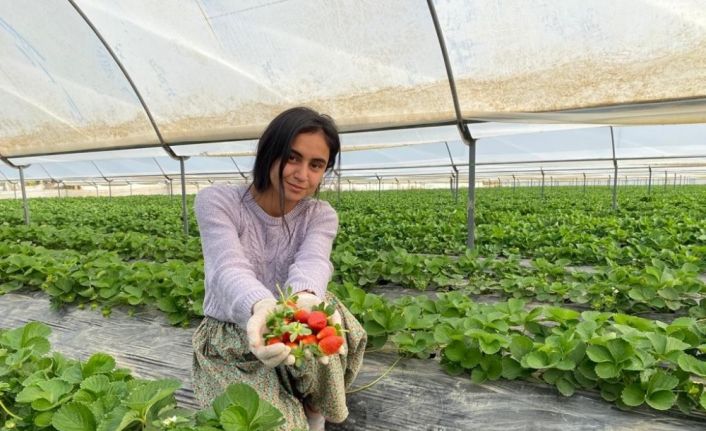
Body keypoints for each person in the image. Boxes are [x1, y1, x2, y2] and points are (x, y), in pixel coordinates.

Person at [192, 107, 367, 431]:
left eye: (316, 165)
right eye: (292, 158)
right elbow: (227, 267)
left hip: (295, 316)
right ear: (269, 153)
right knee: (271, 424)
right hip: (234, 330)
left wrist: (304, 301)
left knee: (324, 325)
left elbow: (313, 261)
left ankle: (313, 407)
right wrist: (261, 307)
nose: (303, 174)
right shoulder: (218, 201)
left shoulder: (320, 214)